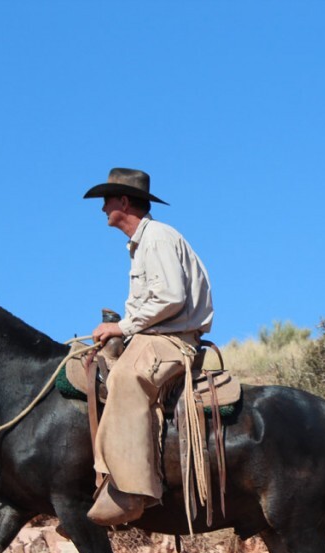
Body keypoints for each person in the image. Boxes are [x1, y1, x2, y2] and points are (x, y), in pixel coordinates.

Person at [82, 168, 214, 526]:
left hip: (172, 341)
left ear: (124, 202)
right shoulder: (140, 245)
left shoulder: (156, 237)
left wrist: (121, 327)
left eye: (107, 200)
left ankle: (133, 490)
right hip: (153, 336)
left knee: (125, 377)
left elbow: (171, 297)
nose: (103, 208)